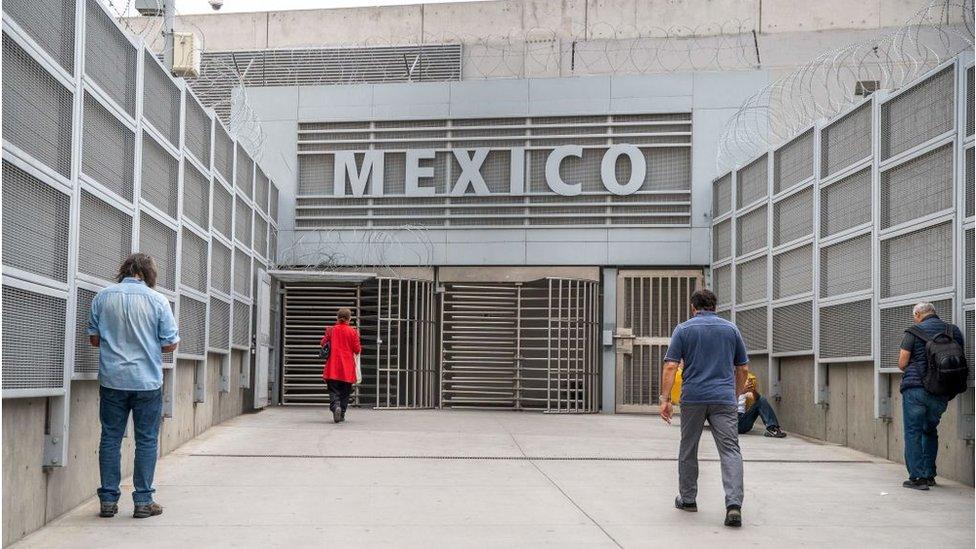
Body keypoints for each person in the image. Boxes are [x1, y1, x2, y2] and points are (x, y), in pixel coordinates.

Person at [88, 253, 179, 519]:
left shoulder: (103, 297)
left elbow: (94, 340)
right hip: (146, 381)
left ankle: (107, 501)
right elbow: (169, 343)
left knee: (110, 438)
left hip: (112, 380)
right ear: (149, 274)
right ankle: (142, 501)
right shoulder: (158, 300)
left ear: (124, 271)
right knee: (147, 441)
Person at [660, 289, 748, 528]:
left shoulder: (684, 329)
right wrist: (735, 394)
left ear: (693, 307)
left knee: (688, 447)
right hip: (723, 398)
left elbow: (670, 367)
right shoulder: (731, 330)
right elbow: (742, 369)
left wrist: (664, 399)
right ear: (715, 306)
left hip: (694, 398)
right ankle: (733, 506)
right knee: (730, 450)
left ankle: (688, 499)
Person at [897, 302, 965, 490]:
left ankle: (918, 478)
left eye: (914, 315)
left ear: (918, 314)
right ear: (934, 313)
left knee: (913, 432)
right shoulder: (953, 331)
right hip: (941, 391)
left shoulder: (913, 332)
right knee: (930, 430)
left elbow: (902, 363)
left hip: (916, 390)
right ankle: (929, 474)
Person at [321, 307, 361, 423]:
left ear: (337, 318)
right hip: (347, 369)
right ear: (349, 319)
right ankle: (342, 413)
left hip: (333, 367)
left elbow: (323, 343)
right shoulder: (353, 332)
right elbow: (357, 349)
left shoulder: (331, 330)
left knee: (333, 391)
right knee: (345, 392)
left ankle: (335, 407)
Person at [737, 373, 787, 438]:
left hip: (742, 421)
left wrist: (753, 390)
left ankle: (773, 428)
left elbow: (757, 399)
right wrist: (740, 391)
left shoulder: (744, 380)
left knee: (761, 400)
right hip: (730, 421)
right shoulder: (725, 385)